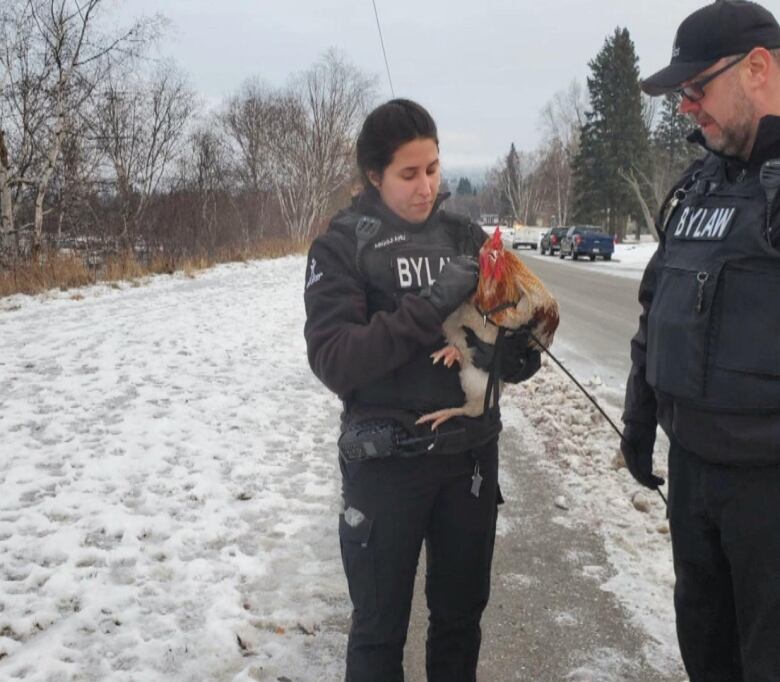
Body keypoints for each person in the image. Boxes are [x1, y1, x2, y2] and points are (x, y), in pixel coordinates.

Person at [303, 99, 539, 681]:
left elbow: (504, 342)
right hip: (386, 463)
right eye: (409, 174)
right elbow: (336, 359)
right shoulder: (342, 246)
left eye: (433, 168)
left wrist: (513, 350)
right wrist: (430, 305)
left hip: (469, 462)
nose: (425, 186)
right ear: (373, 176)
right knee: (379, 630)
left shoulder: (465, 236)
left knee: (460, 622)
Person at [621, 1, 780, 679]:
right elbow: (656, 305)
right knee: (707, 653)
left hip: (767, 488)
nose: (686, 107)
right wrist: (640, 414)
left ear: (759, 68)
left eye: (696, 89)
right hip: (694, 477)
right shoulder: (701, 185)